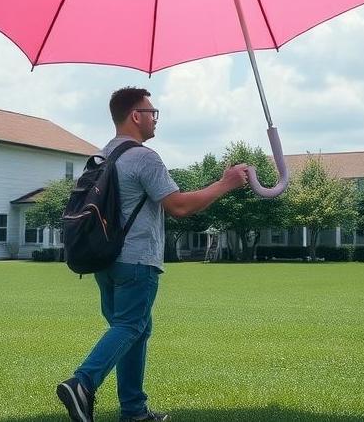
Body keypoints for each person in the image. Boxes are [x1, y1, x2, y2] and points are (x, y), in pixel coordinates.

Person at [56, 86, 250, 422]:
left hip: (106, 261)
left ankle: (133, 410)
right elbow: (178, 206)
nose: (155, 119)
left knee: (134, 329)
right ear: (136, 116)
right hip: (136, 261)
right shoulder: (145, 157)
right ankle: (82, 383)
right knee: (131, 326)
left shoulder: (103, 156)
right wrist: (226, 184)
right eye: (152, 112)